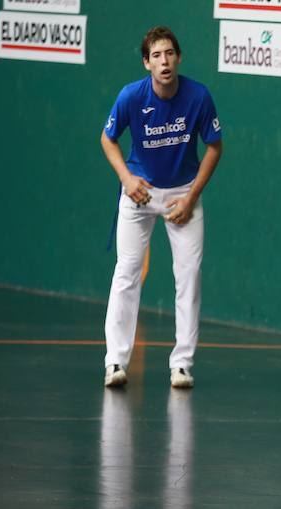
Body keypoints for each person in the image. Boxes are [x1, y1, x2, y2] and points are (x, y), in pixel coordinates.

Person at [101, 26, 222, 389]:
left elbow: (214, 147)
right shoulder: (131, 97)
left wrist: (191, 197)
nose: (164, 61)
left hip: (183, 193)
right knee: (127, 273)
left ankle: (182, 364)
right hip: (139, 192)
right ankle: (115, 363)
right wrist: (127, 179)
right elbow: (108, 138)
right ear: (146, 63)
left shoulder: (198, 97)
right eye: (156, 55)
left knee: (189, 277)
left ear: (178, 57)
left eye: (169, 53)